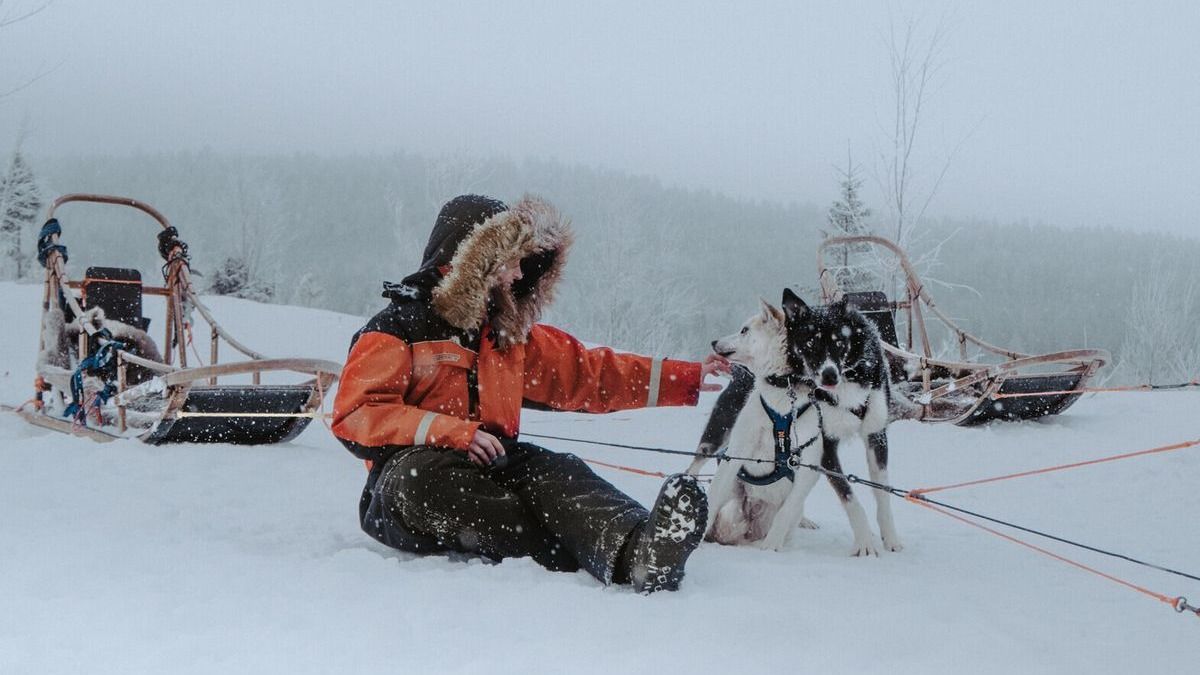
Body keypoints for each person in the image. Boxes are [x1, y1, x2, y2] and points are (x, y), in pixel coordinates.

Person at [332, 194, 730, 593]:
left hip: (497, 461)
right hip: (407, 479)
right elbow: (356, 414)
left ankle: (639, 549)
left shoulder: (506, 334)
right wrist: (452, 431)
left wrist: (686, 377)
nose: (519, 274)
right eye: (512, 260)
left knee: (558, 473)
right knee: (423, 483)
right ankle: (561, 545)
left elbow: (590, 373)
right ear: (476, 259)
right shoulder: (397, 326)